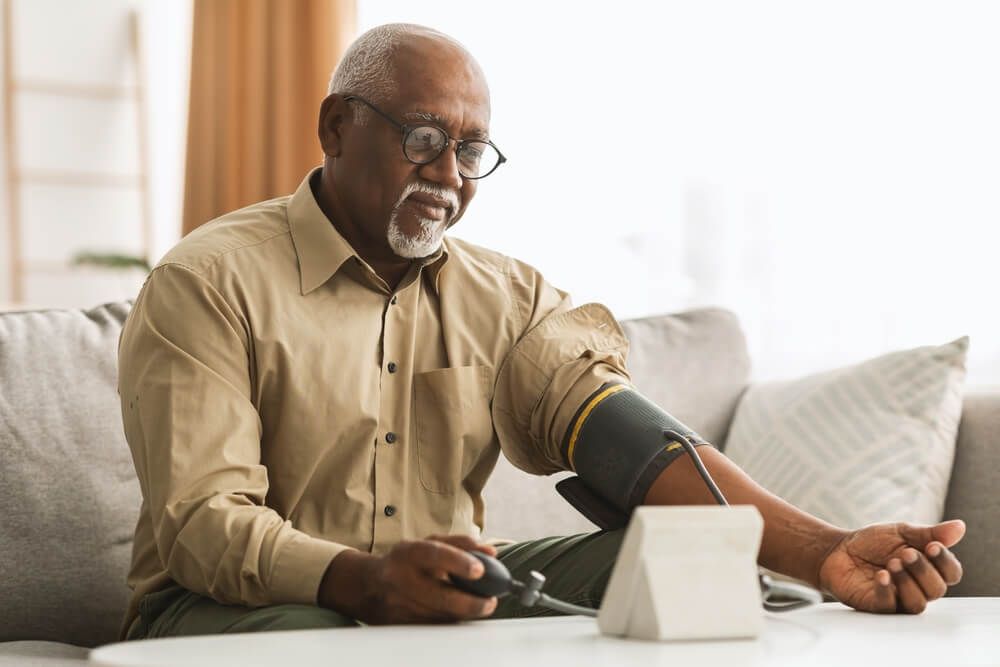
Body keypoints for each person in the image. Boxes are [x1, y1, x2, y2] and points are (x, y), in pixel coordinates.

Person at [117, 23, 964, 640]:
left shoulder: (508, 295)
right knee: (320, 632)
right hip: (227, 605)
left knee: (669, 565)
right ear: (338, 127)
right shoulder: (207, 282)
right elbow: (204, 525)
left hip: (436, 588)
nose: (449, 175)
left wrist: (824, 553)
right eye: (422, 138)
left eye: (472, 148)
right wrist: (366, 580)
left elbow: (635, 448)